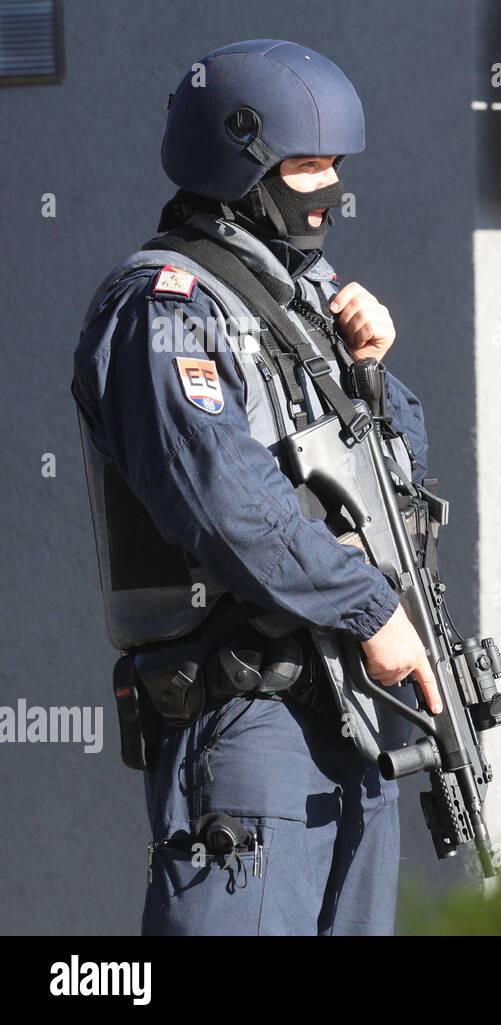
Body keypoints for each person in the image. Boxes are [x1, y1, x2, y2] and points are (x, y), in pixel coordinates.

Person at [72, 39, 440, 935]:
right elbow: (221, 500)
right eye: (305, 165)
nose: (326, 190)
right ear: (236, 161)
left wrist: (371, 374)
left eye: (334, 168)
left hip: (350, 718)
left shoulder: (306, 307)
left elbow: (397, 484)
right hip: (246, 724)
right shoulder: (164, 305)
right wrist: (368, 607)